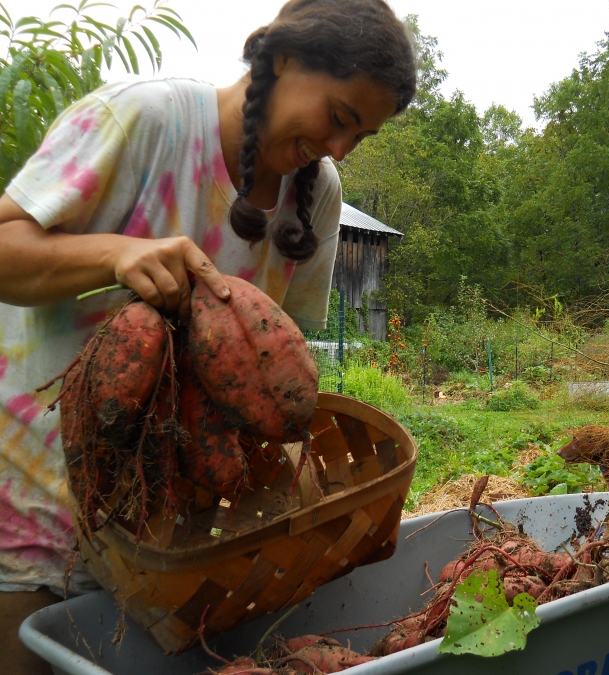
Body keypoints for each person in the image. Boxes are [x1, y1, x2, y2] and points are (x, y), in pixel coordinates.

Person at [0, 0, 416, 671]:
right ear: (282, 58)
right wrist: (114, 255)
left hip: (173, 549)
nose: (339, 149)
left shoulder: (318, 194)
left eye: (359, 136)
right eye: (339, 117)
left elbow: (275, 370)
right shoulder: (147, 119)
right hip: (31, 511)